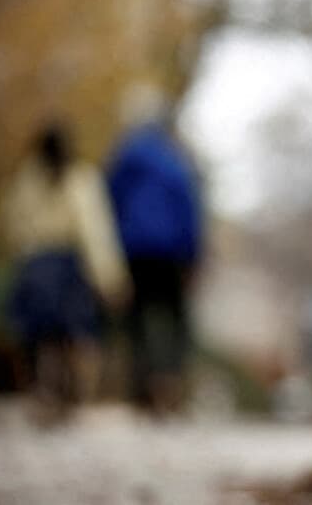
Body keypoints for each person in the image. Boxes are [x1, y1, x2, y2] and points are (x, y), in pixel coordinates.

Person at [0, 120, 129, 420]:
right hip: (68, 265)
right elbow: (95, 233)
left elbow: (8, 225)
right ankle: (73, 396)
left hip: (34, 264)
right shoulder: (81, 180)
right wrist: (109, 278)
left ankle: (43, 391)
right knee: (75, 334)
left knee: (37, 336)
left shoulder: (24, 182)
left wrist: (19, 259)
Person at [107, 107, 202, 413]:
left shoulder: (122, 161)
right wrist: (193, 255)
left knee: (137, 319)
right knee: (174, 319)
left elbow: (108, 204)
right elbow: (188, 210)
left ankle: (142, 388)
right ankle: (170, 384)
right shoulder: (175, 162)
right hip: (170, 253)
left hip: (132, 250)